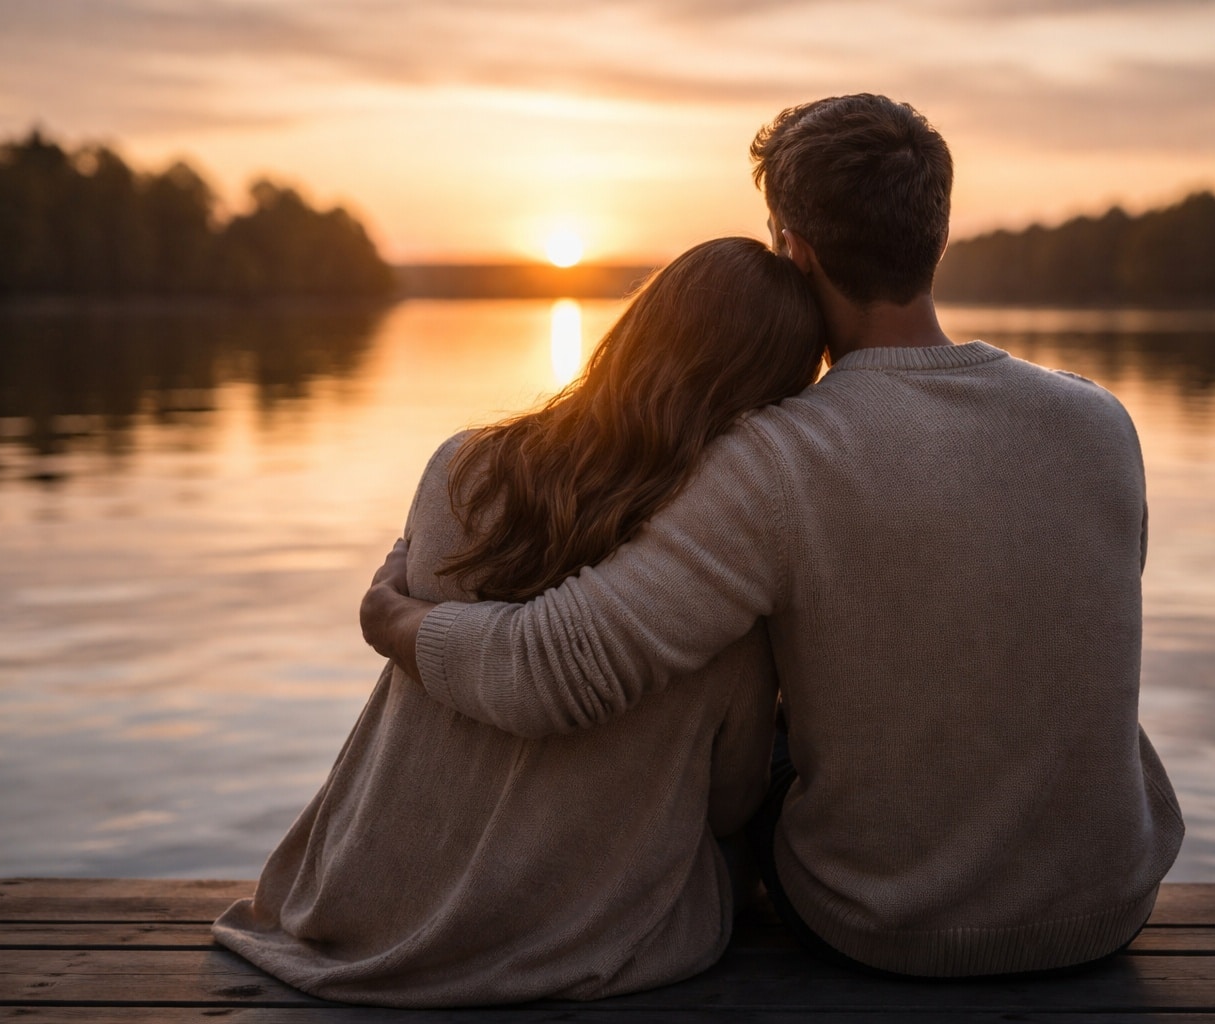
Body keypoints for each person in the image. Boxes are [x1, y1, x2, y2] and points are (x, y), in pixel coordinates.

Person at [362, 94, 1185, 978]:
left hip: (882, 926)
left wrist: (396, 622)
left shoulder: (779, 458)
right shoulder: (1099, 422)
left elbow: (556, 669)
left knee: (728, 698)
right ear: (935, 238)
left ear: (796, 250)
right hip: (1105, 908)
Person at [213, 237, 827, 1006]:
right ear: (771, 392)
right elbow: (731, 801)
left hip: (366, 907)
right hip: (569, 935)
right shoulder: (717, 571)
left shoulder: (459, 470)